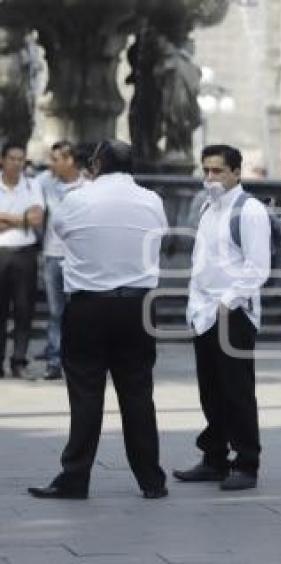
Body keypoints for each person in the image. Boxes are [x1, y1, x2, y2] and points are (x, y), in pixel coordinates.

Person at [28, 140, 168, 500]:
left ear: (98, 163)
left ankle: (75, 477)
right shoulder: (152, 200)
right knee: (138, 394)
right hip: (137, 308)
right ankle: (151, 480)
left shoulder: (77, 200)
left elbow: (60, 233)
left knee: (86, 395)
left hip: (89, 307)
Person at [173, 145, 270, 492]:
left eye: (218, 171)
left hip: (234, 313)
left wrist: (228, 302)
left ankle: (246, 462)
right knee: (211, 389)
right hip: (204, 312)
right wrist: (196, 306)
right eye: (207, 171)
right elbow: (202, 262)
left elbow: (258, 266)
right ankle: (214, 458)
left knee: (237, 391)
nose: (210, 178)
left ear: (236, 173)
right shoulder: (207, 208)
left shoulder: (250, 211)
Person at [36, 141, 88, 381]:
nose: (51, 164)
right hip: (52, 257)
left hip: (79, 259)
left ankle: (78, 360)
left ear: (70, 161)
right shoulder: (46, 183)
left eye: (56, 159)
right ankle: (55, 360)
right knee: (56, 311)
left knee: (78, 311)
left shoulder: (88, 187)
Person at [0, 141, 44, 380]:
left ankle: (19, 360)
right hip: (0, 253)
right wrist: (22, 219)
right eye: (12, 158)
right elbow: (29, 218)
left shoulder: (32, 184)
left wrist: (5, 218)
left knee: (24, 309)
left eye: (21, 159)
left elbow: (37, 218)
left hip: (25, 254)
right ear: (2, 160)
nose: (17, 163)